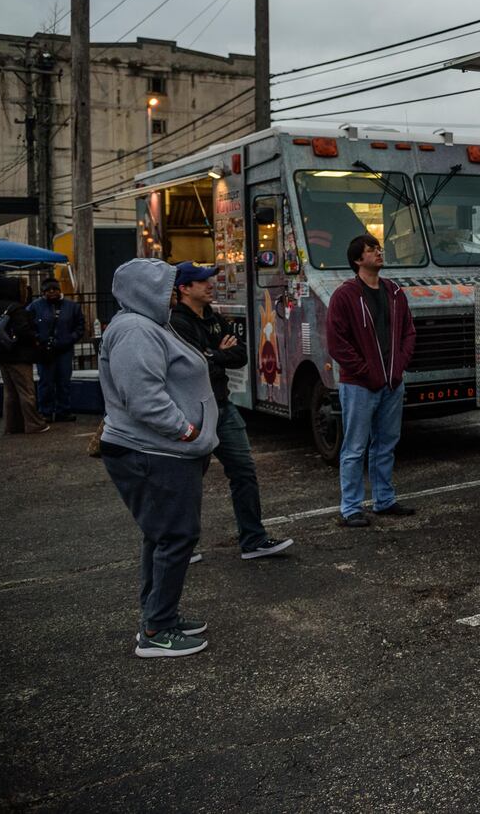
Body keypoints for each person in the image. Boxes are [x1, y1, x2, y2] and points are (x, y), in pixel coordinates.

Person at [98, 258, 219, 658]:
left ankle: (158, 614)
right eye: (166, 285)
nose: (173, 291)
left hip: (162, 451)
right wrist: (187, 430)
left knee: (161, 535)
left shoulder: (148, 325)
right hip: (155, 451)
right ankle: (157, 629)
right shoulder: (136, 331)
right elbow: (143, 398)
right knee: (175, 536)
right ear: (144, 289)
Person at [169, 262, 294, 561]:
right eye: (202, 281)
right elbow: (194, 364)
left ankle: (253, 540)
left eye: (210, 279)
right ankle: (180, 546)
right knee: (186, 481)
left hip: (223, 407)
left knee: (244, 472)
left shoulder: (214, 316)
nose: (210, 284)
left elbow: (240, 356)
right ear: (184, 288)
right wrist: (216, 353)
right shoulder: (177, 322)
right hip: (194, 411)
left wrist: (214, 354)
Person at [324, 233, 417, 526]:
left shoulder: (395, 292)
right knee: (354, 447)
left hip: (391, 383)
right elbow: (337, 343)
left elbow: (409, 333)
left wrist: (397, 367)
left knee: (386, 443)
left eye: (378, 248)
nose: (379, 252)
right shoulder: (345, 295)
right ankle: (350, 508)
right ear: (357, 259)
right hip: (358, 385)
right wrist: (368, 371)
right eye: (371, 249)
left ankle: (384, 500)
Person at [29, 278, 86, 422]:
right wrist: (38, 340)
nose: (52, 292)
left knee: (64, 382)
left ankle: (63, 411)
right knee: (46, 382)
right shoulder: (34, 307)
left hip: (65, 350)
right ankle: (45, 412)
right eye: (48, 290)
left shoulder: (73, 306)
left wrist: (68, 339)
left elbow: (80, 327)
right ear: (43, 292)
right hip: (44, 351)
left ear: (60, 290)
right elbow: (28, 326)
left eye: (54, 289)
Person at [0, 301, 49, 435]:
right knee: (26, 391)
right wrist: (36, 337)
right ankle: (34, 424)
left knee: (10, 393)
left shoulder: (0, 307)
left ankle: (12, 425)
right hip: (19, 356)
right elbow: (23, 331)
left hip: (2, 355)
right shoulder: (18, 310)